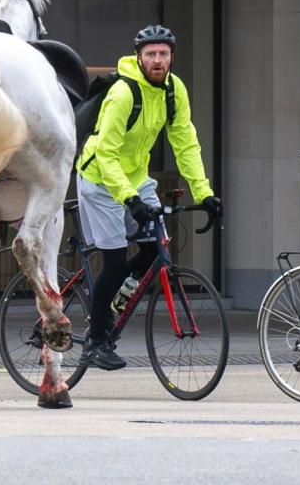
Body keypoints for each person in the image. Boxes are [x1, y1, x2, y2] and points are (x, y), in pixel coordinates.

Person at [74, 24, 222, 370]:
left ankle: (110, 308)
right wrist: (129, 199)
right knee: (112, 261)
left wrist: (205, 193)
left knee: (156, 249)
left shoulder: (174, 90)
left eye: (164, 54)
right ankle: (95, 340)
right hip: (100, 179)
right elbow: (107, 154)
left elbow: (185, 143)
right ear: (139, 57)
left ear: (172, 57)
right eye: (151, 54)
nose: (158, 60)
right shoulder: (124, 92)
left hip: (135, 179)